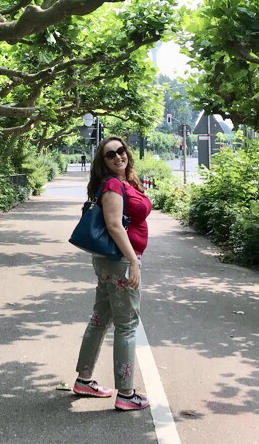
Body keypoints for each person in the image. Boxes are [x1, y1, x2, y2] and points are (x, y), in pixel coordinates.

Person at [72, 136, 153, 411]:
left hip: (110, 262)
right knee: (126, 325)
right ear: (103, 162)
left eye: (121, 150)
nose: (118, 156)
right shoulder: (113, 185)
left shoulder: (122, 181)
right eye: (111, 154)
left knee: (100, 319)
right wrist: (133, 262)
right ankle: (127, 393)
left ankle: (84, 380)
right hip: (119, 262)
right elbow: (114, 225)